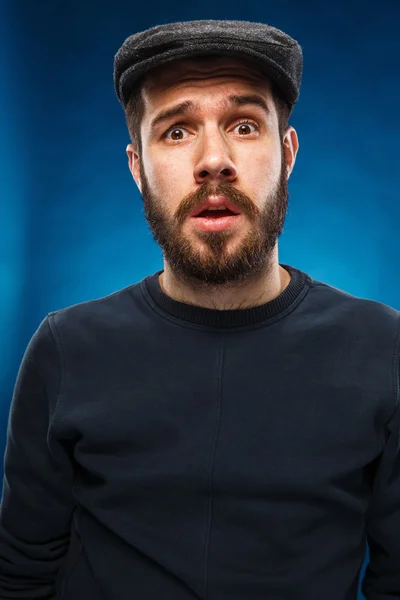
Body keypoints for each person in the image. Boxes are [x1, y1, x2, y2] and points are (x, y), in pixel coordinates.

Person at [0, 19, 399, 600]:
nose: (214, 160)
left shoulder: (383, 348)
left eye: (243, 124)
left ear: (286, 153)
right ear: (138, 169)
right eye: (177, 131)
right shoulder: (65, 348)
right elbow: (19, 578)